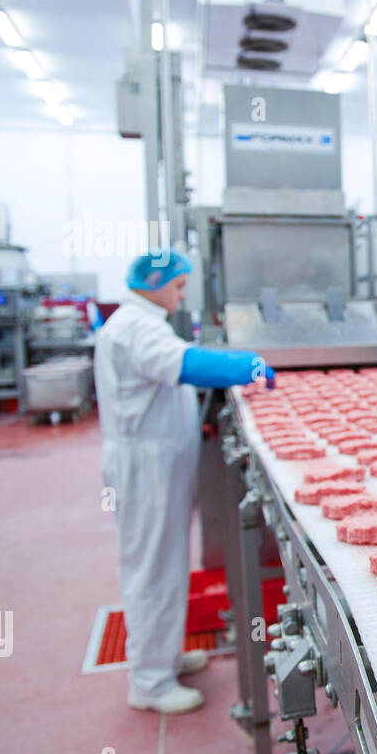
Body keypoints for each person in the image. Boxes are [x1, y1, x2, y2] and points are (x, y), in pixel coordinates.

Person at [95, 249, 275, 714]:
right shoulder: (135, 326)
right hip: (144, 470)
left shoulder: (143, 322)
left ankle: (164, 656)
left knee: (166, 562)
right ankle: (149, 683)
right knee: (151, 568)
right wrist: (247, 366)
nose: (182, 293)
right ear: (153, 282)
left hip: (158, 465)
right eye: (177, 284)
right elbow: (187, 366)